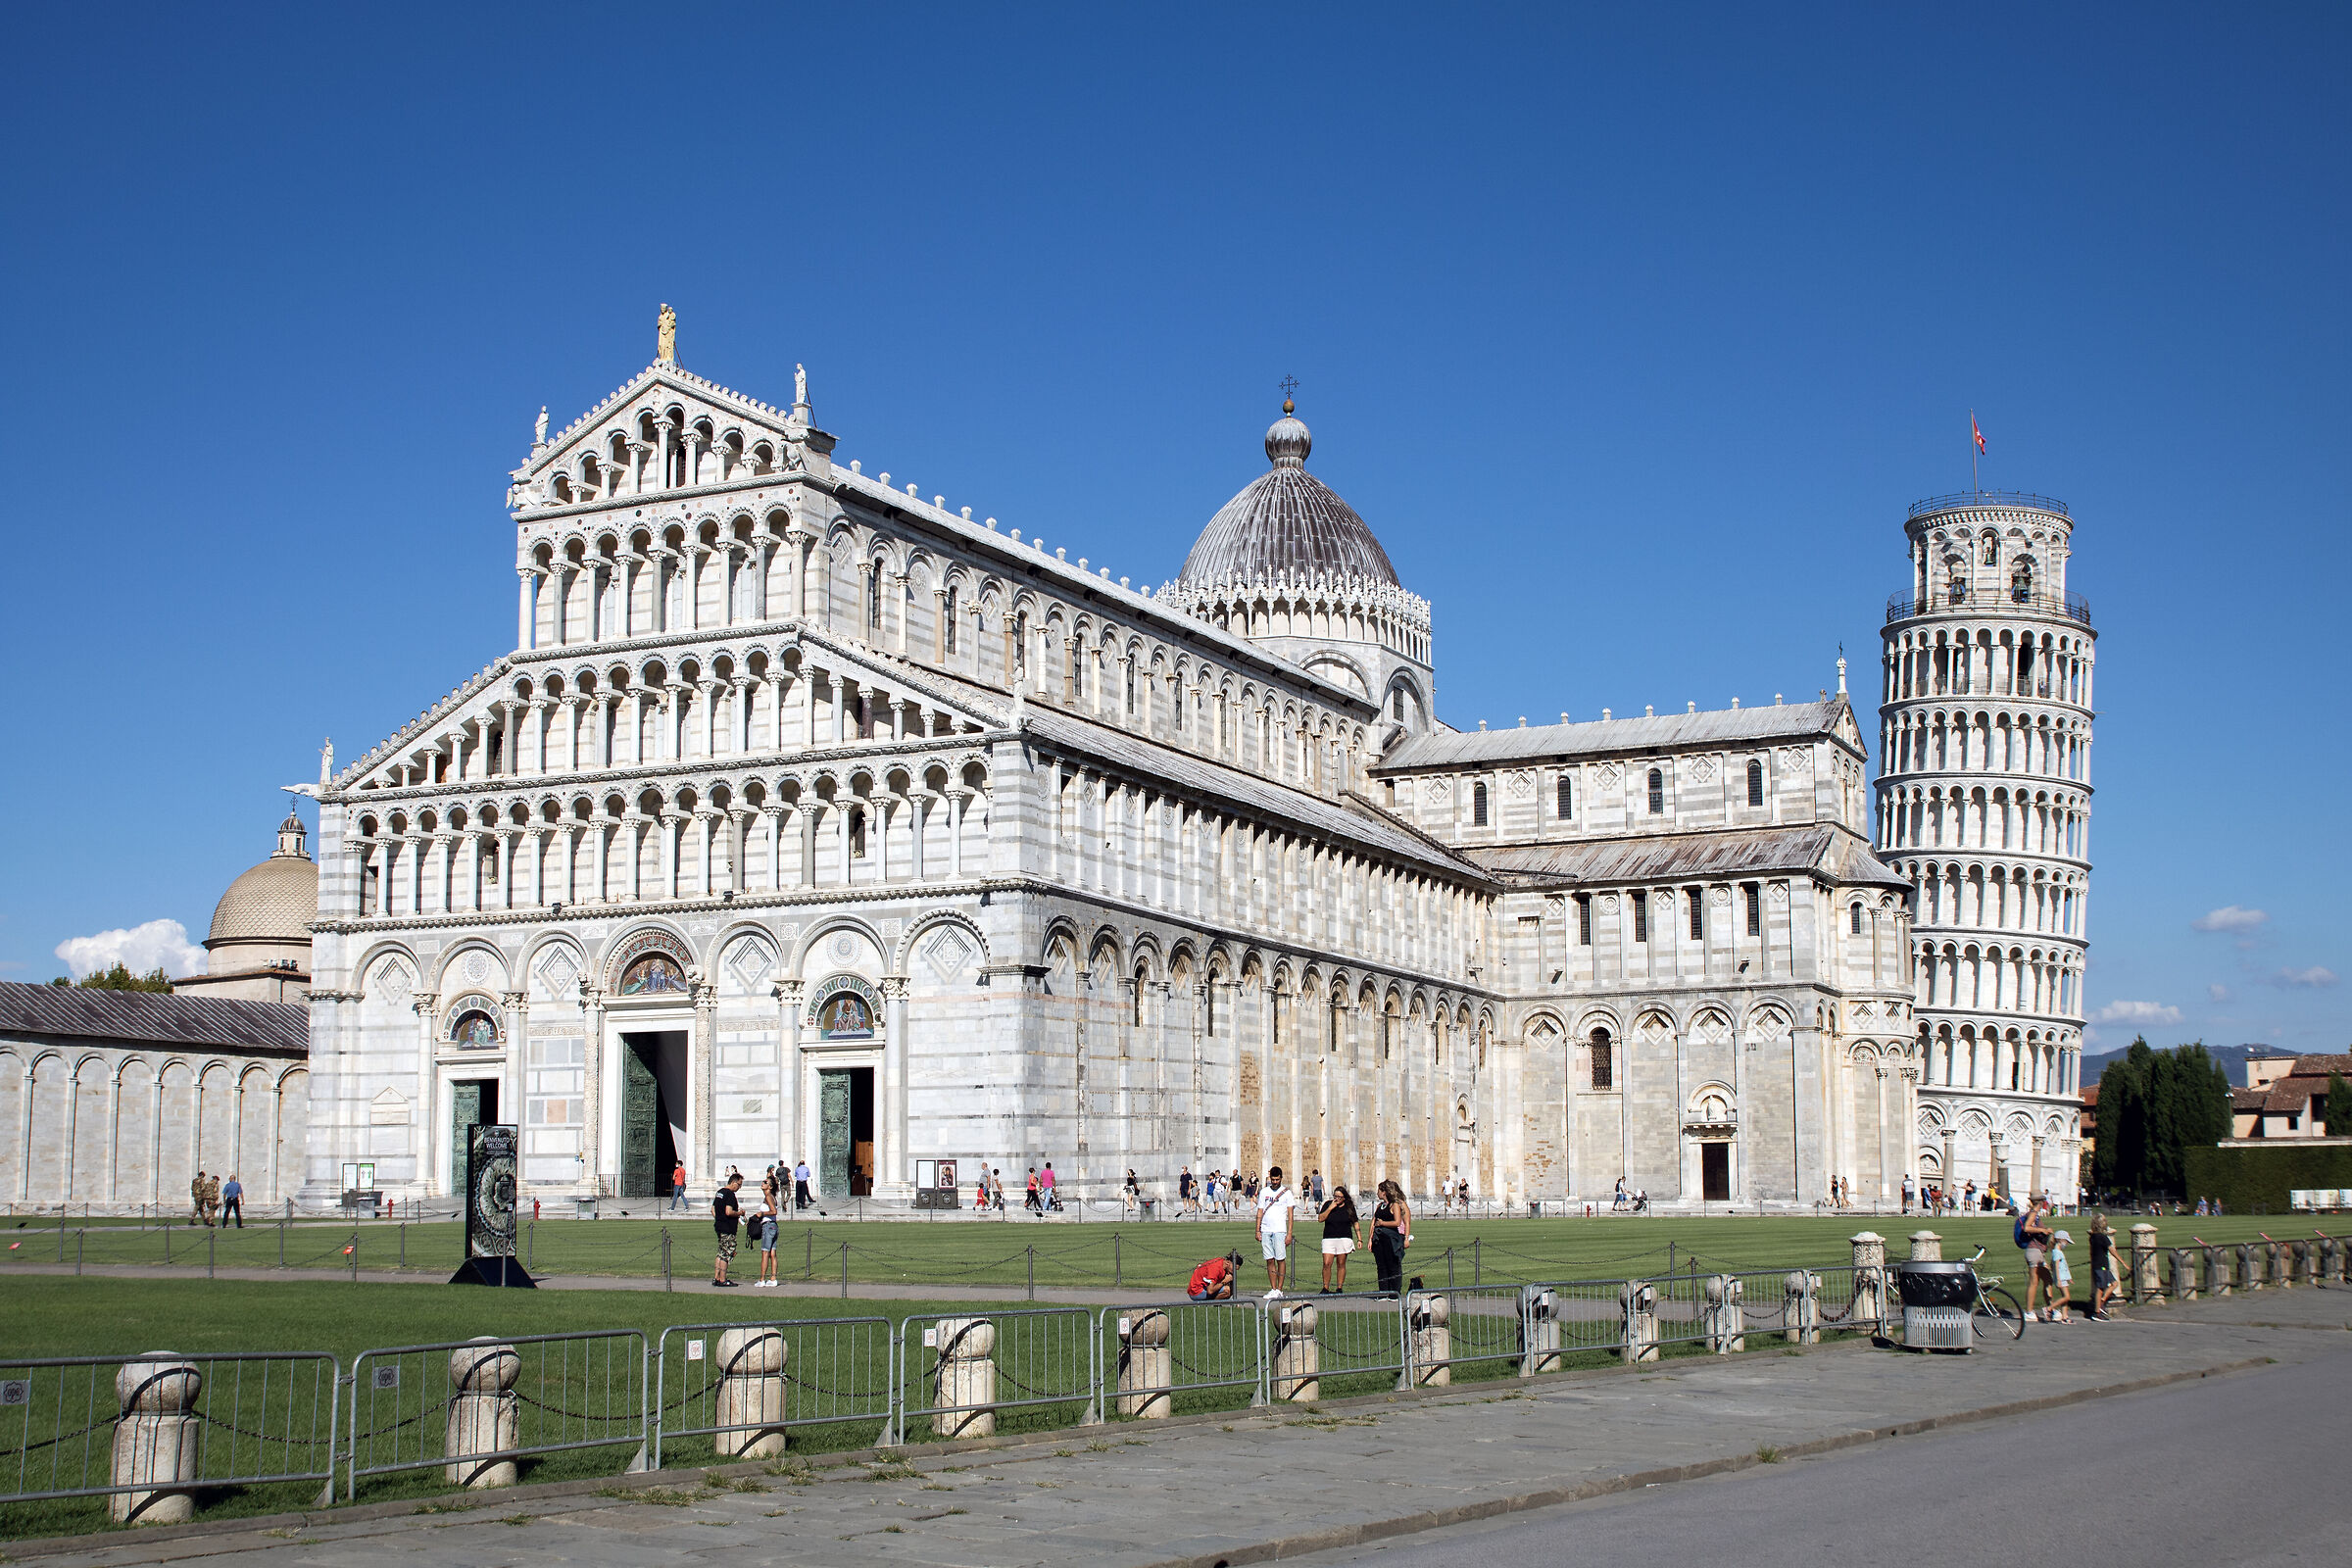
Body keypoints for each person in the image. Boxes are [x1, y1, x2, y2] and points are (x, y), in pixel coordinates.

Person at [1255, 1164, 1297, 1296]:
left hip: (1279, 1230)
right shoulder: (1264, 1192)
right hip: (1266, 1230)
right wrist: (1258, 1230)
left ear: (1281, 1178)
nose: (1274, 1182)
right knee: (1269, 1259)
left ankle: (1280, 1289)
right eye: (1273, 1180)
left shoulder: (1287, 1193)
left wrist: (1289, 1233)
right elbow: (1260, 1211)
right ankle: (1273, 1288)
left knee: (1280, 1259)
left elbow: (1290, 1215)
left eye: (1277, 1180)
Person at [1317, 1183, 1361, 1294]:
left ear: (1344, 1198)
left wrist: (1359, 1239)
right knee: (1327, 1263)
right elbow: (1320, 1219)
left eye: (1339, 1197)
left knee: (1341, 1264)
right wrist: (1330, 1208)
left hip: (1344, 1237)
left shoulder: (1349, 1207)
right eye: (1335, 1196)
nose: (1336, 1199)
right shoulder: (1328, 1204)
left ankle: (1339, 1287)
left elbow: (1355, 1223)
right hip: (1329, 1237)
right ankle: (1325, 1287)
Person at [1371, 1179, 1411, 1298]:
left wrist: (1406, 1238)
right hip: (1381, 1237)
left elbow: (1405, 1222)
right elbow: (1374, 1221)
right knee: (1382, 1266)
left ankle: (1394, 1292)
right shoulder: (1381, 1205)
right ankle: (1384, 1291)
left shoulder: (1398, 1204)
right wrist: (1370, 1238)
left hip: (1395, 1237)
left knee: (1393, 1265)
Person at [2016, 1198, 2053, 1320]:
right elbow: (2026, 1228)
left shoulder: (2034, 1215)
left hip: (2038, 1252)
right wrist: (2043, 1230)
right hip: (2034, 1251)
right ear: (2041, 1203)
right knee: (2034, 1282)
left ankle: (2050, 1309)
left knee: (2047, 1279)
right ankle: (2029, 1312)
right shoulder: (2033, 1214)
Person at [710, 1173, 743, 1287]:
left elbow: (712, 1210)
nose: (739, 1188)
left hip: (719, 1227)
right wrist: (739, 1213)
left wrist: (719, 1219)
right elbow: (728, 1211)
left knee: (720, 1252)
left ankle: (716, 1278)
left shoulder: (720, 1192)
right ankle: (723, 1279)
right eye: (739, 1185)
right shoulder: (730, 1194)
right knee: (726, 1253)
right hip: (728, 1228)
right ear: (733, 1182)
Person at [2086, 1213, 2118, 1319]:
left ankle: (2102, 1302)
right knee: (2100, 1288)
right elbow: (2112, 1251)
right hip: (2102, 1265)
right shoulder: (2103, 1238)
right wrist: (2122, 1262)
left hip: (2098, 1264)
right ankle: (2097, 1312)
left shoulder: (2093, 1237)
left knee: (2114, 1283)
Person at [755, 1176, 781, 1286]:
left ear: (770, 1186)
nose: (762, 1183)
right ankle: (773, 1278)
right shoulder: (772, 1197)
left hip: (768, 1226)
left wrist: (762, 1214)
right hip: (774, 1226)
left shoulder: (768, 1197)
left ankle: (762, 1279)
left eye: (765, 1182)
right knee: (772, 1253)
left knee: (765, 1252)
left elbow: (773, 1211)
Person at [2046, 1229, 2075, 1323]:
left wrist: (2069, 1278)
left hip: (2063, 1277)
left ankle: (2065, 1317)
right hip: (2060, 1278)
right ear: (2060, 1240)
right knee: (2067, 1297)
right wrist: (2058, 1279)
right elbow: (2057, 1266)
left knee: (2064, 1298)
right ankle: (2050, 1308)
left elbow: (2058, 1266)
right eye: (2066, 1241)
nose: (2066, 1244)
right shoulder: (2057, 1252)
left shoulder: (2057, 1252)